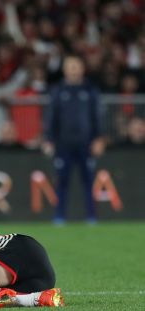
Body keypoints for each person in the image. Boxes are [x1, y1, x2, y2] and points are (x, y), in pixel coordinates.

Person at [42, 56, 105, 225]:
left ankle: (92, 217)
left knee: (89, 181)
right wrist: (48, 139)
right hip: (64, 144)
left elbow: (97, 116)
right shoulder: (58, 91)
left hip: (86, 143)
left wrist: (99, 138)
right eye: (70, 66)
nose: (74, 69)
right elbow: (51, 117)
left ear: (82, 68)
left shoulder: (90, 90)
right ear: (65, 70)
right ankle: (59, 216)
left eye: (76, 66)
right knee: (62, 181)